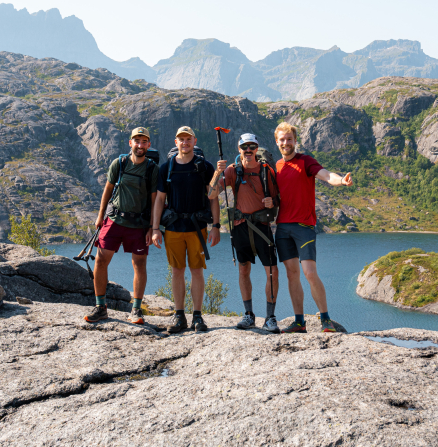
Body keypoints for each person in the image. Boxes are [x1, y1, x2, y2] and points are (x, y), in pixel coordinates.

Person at [273, 122, 353, 333]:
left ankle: (325, 318)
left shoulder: (305, 161)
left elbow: (326, 175)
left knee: (309, 272)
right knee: (292, 275)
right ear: (277, 142)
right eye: (282, 139)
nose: (286, 143)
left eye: (289, 139)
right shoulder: (276, 167)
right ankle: (299, 322)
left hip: (303, 227)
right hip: (282, 228)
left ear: (295, 141)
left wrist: (340, 181)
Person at [84, 127, 159, 325]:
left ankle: (136, 310)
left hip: (139, 223)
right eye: (137, 141)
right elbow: (107, 191)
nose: (140, 145)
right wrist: (100, 217)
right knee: (100, 261)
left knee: (139, 264)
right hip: (114, 220)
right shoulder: (120, 163)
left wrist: (152, 227)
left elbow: (154, 200)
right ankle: (101, 307)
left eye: (144, 142)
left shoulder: (152, 169)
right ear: (130, 143)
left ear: (148, 145)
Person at [151, 126, 221, 333]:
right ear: (176, 142)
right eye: (181, 139)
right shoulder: (167, 168)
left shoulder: (205, 167)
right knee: (177, 271)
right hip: (173, 228)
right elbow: (159, 200)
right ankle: (179, 316)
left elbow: (214, 197)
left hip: (198, 228)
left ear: (194, 141)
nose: (185, 142)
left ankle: (197, 317)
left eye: (188, 139)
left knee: (196, 271)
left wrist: (216, 226)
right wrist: (155, 228)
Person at [209, 133, 280, 333]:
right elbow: (211, 194)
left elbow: (278, 199)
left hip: (263, 227)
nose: (248, 151)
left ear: (257, 149)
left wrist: (272, 202)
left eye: (252, 147)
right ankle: (249, 315)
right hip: (241, 226)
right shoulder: (233, 171)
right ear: (239, 149)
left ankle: (270, 318)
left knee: (272, 272)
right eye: (244, 147)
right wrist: (218, 172)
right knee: (243, 270)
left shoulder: (266, 171)